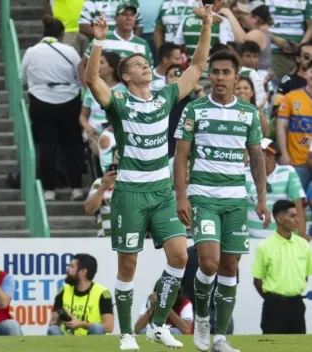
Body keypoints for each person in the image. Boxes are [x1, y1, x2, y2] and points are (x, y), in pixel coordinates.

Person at [84, 1, 213, 348]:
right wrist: (98, 42)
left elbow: (198, 65)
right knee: (128, 267)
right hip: (129, 193)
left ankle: (157, 325)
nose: (146, 65)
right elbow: (92, 79)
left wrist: (206, 24)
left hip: (161, 192)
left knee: (181, 257)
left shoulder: (165, 97)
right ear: (126, 76)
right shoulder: (119, 103)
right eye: (139, 64)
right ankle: (127, 333)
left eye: (145, 62)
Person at [173, 50, 271, 352]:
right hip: (204, 197)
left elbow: (257, 157)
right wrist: (181, 196)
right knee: (210, 262)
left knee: (230, 266)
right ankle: (202, 318)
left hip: (236, 200)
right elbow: (181, 156)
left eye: (225, 72)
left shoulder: (248, 113)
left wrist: (262, 199)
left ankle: (220, 337)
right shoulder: (194, 109)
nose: (219, 77)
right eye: (214, 72)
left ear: (236, 77)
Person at [21, 16, 84, 202]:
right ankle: (77, 188)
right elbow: (79, 74)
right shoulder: (70, 50)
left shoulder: (31, 51)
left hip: (40, 101)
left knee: (47, 147)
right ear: (62, 34)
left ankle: (49, 190)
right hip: (70, 100)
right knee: (73, 146)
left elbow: (22, 77)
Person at [252, 199, 312, 334]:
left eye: (297, 215)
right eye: (292, 216)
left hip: (297, 305)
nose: (297, 220)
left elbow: (305, 276)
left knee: (298, 347)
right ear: (279, 219)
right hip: (274, 306)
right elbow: (257, 280)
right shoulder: (264, 247)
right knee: (271, 347)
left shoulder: (304, 245)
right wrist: (273, 299)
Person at [79, 3, 153, 85]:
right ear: (115, 18)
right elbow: (83, 65)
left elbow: (149, 71)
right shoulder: (102, 38)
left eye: (132, 15)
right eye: (124, 14)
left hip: (132, 93)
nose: (129, 18)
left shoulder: (142, 43)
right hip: (103, 90)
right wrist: (86, 90)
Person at [246, 138, 306, 239]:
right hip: (251, 239)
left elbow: (298, 207)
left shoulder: (287, 172)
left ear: (270, 157)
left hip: (282, 240)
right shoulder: (245, 173)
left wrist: (301, 236)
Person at [47, 254, 113, 336]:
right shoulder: (63, 291)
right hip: (67, 339)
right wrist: (62, 318)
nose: (67, 270)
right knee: (53, 329)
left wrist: (81, 324)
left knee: (97, 328)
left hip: (91, 339)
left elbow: (109, 327)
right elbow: (52, 324)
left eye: (71, 266)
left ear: (83, 272)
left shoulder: (102, 293)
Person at [277, 59, 312, 191]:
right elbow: (281, 127)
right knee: (294, 204)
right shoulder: (291, 97)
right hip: (296, 161)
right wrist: (284, 154)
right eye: (311, 71)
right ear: (306, 73)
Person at [219, 1, 273, 71]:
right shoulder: (254, 30)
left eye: (245, 14)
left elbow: (242, 40)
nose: (242, 17)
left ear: (255, 19)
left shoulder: (258, 33)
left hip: (259, 78)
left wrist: (229, 15)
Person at [84, 150, 118, 237]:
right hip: (106, 238)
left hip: (134, 239)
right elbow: (89, 209)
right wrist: (104, 187)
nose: (120, 161)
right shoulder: (100, 182)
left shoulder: (140, 183)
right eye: (117, 158)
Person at [79, 0, 143, 38]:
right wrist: (103, 37)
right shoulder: (93, 1)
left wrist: (132, 40)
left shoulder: (132, 1)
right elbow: (82, 25)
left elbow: (139, 25)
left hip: (126, 42)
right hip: (100, 43)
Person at [274, 43, 312, 108]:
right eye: (307, 57)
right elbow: (276, 107)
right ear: (298, 59)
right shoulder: (288, 80)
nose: (310, 60)